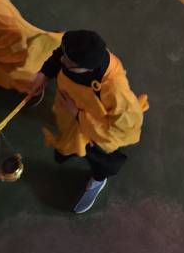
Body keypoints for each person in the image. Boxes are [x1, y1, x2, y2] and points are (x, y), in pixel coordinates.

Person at [33, 30, 149, 214]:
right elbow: (59, 56)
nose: (62, 60)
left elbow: (119, 128)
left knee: (100, 155)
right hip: (72, 114)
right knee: (68, 144)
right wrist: (44, 74)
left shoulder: (114, 90)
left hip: (97, 133)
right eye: (64, 53)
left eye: (68, 62)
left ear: (86, 68)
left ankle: (99, 178)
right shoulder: (76, 54)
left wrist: (78, 114)